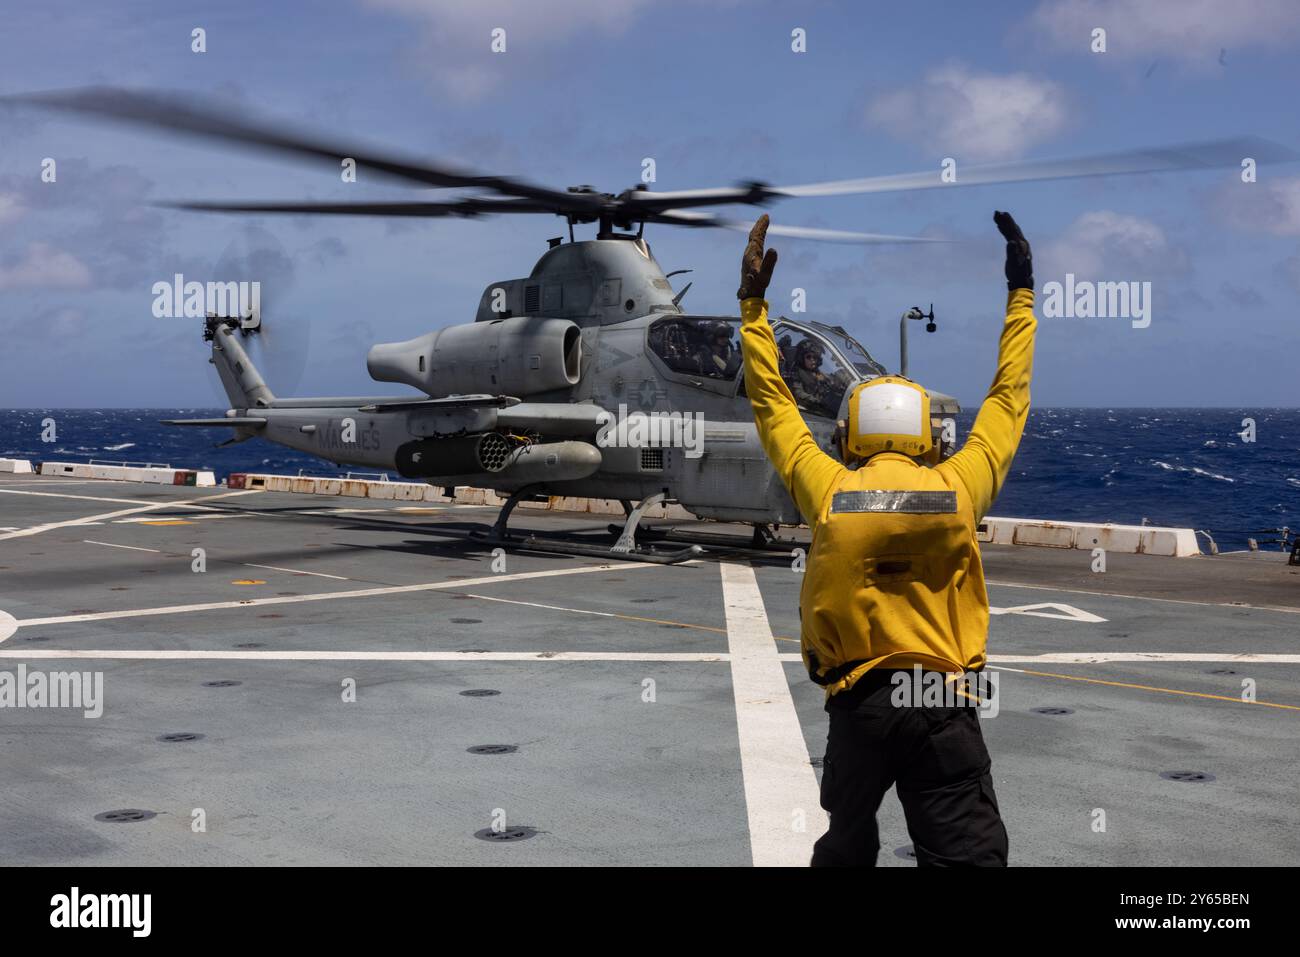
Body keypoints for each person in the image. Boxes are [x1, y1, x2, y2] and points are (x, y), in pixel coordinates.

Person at [737, 211, 1037, 867]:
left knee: (847, 847)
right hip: (940, 701)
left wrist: (753, 309)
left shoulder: (827, 486)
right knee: (968, 855)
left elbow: (772, 402)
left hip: (859, 702)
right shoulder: (961, 486)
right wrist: (1021, 294)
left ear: (850, 436)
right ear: (928, 437)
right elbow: (1008, 399)